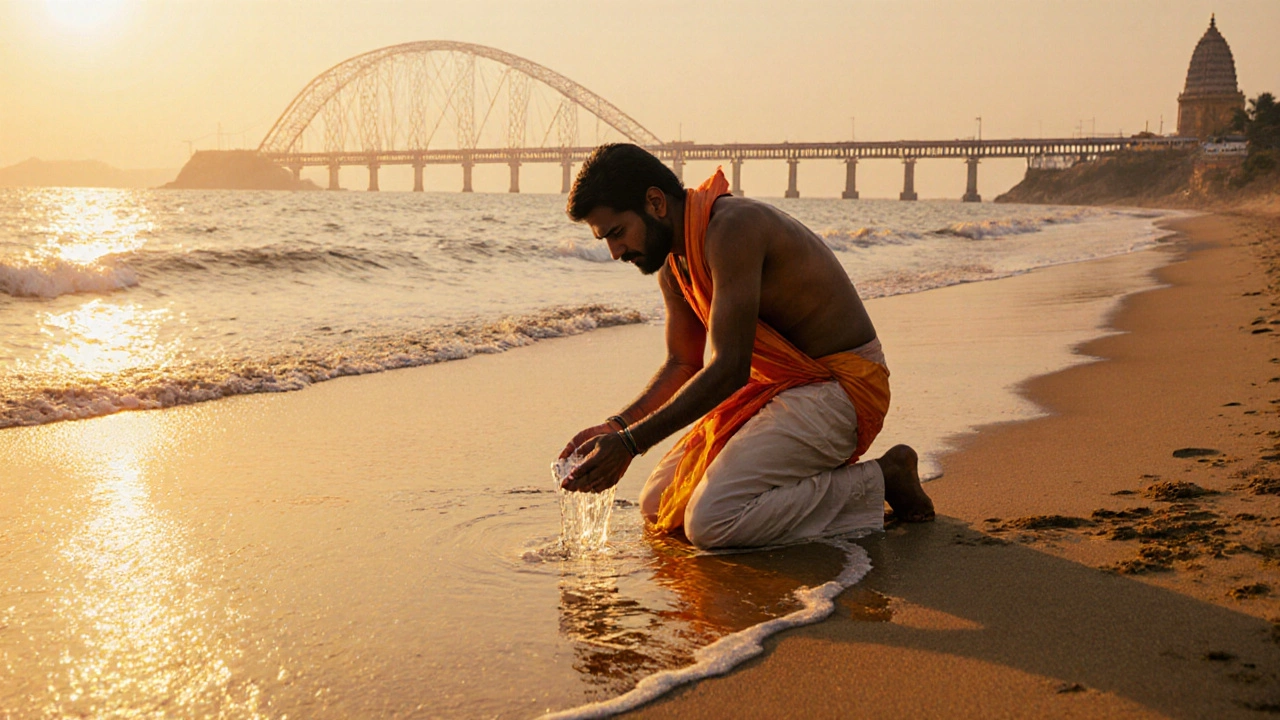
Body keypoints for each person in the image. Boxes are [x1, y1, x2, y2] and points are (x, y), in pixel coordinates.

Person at [558, 143, 933, 550]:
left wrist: (632, 444)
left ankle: (881, 478)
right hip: (782, 389)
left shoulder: (732, 229)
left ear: (655, 202)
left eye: (617, 233)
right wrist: (617, 428)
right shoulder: (673, 263)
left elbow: (730, 369)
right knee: (657, 504)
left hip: (843, 387)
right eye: (604, 240)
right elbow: (683, 363)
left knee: (711, 522)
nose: (614, 253)